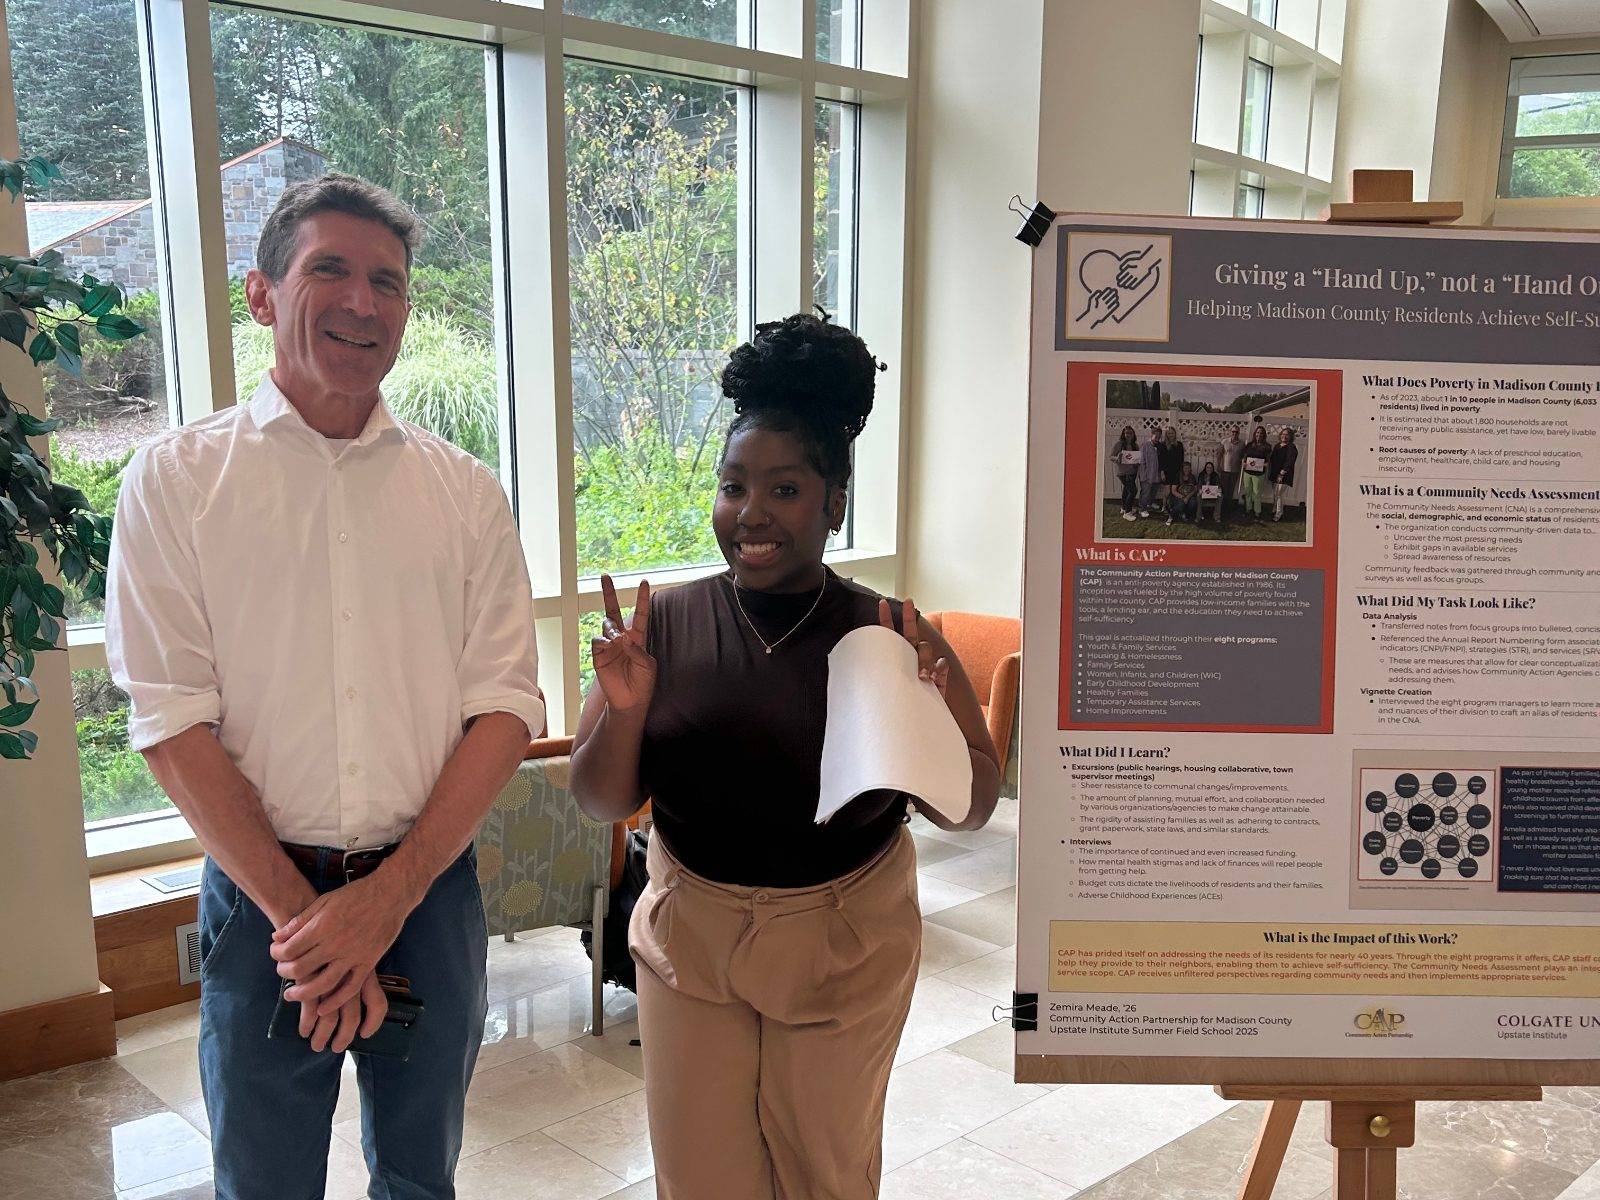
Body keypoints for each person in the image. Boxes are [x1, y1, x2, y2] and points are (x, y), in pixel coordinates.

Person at [105, 174, 544, 1199]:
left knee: (420, 1175)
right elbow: (171, 722)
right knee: (262, 1180)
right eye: (330, 270)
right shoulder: (175, 482)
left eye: (386, 281)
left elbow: (506, 706)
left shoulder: (463, 493)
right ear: (261, 294)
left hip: (428, 899)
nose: (362, 302)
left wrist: (386, 902)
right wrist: (314, 927)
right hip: (262, 905)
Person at [569, 313, 1001, 1200]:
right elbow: (601, 800)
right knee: (702, 1179)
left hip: (845, 938)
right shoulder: (667, 625)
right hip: (691, 934)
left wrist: (937, 700)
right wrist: (625, 709)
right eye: (733, 487)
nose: (751, 513)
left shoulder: (890, 632)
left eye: (785, 489)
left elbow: (971, 807)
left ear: (834, 501)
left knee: (824, 1175)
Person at [1269, 426, 1301, 522]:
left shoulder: (1292, 447)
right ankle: (1274, 509)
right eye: (1283, 434)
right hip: (1275, 473)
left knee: (1279, 494)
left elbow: (1290, 461)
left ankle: (1279, 513)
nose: (1284, 436)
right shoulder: (1278, 445)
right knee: (1275, 493)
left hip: (1284, 474)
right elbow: (1272, 458)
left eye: (1287, 435)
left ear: (1290, 436)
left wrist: (1282, 472)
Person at [1240, 424, 1271, 520]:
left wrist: (1262, 465)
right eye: (1258, 432)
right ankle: (1248, 509)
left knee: (1256, 493)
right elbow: (1244, 457)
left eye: (1261, 433)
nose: (1259, 434)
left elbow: (1268, 462)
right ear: (1255, 434)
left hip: (1258, 474)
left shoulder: (1267, 447)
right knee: (1248, 492)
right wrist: (1243, 463)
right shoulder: (1249, 445)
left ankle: (1257, 512)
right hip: (1247, 473)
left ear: (1264, 435)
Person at [1111, 424, 1141, 520]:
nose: (1128, 435)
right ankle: (1127, 513)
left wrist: (1138, 462)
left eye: (1130, 433)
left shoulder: (1135, 445)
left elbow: (1136, 459)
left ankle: (1124, 508)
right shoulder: (1119, 444)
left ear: (1133, 434)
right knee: (1133, 491)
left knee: (1126, 490)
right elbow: (1111, 456)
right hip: (1123, 473)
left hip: (1132, 472)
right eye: (1127, 433)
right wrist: (1117, 458)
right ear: (1123, 434)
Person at [1216, 425, 1243, 517]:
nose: (1234, 433)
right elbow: (1219, 454)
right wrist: (1218, 465)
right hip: (1224, 470)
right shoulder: (1224, 442)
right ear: (1230, 432)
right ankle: (1221, 508)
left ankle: (1228, 509)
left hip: (1235, 471)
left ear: (1239, 433)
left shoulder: (1242, 444)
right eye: (1233, 432)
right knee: (1223, 490)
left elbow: (1243, 457)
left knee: (1231, 490)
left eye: (1236, 432)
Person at [1137, 425, 1162, 517]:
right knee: (1145, 492)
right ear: (1151, 435)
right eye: (1156, 436)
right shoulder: (1145, 445)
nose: (1158, 438)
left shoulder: (1159, 446)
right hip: (1147, 475)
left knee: (1153, 491)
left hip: (1156, 475)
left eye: (1159, 436)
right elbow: (1142, 461)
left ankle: (1150, 503)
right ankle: (1142, 509)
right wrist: (1143, 476)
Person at [1165, 461, 1199, 525]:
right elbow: (1173, 491)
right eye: (1185, 468)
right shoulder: (1178, 476)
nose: (1187, 470)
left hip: (1189, 496)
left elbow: (1195, 489)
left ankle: (1184, 513)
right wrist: (1183, 497)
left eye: (1188, 468)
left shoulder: (1192, 477)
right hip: (1178, 496)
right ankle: (1171, 516)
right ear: (1182, 469)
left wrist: (1188, 497)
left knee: (1193, 502)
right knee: (1181, 504)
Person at [1158, 424, 1185, 500]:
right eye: (1169, 433)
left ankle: (1178, 504)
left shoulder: (1179, 445)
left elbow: (1181, 459)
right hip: (1166, 471)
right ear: (1166, 434)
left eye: (1172, 433)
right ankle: (1164, 508)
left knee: (1174, 491)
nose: (1171, 435)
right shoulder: (1163, 445)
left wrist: (1181, 471)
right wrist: (1162, 472)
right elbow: (1160, 459)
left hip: (1176, 471)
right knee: (1167, 491)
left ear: (1175, 434)